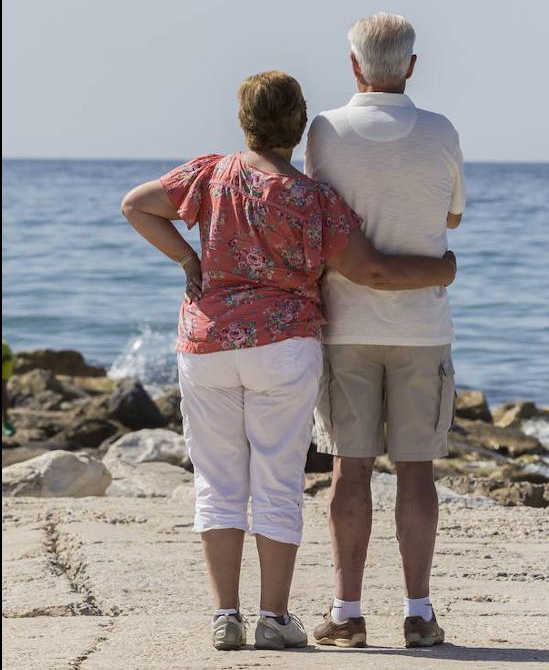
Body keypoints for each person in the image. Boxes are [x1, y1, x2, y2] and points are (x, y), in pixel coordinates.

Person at [120, 70, 457, 652]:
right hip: (283, 344)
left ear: (244, 122)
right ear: (300, 128)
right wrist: (442, 270)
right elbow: (371, 270)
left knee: (218, 483)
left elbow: (137, 205)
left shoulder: (209, 173)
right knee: (276, 482)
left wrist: (187, 260)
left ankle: (225, 615)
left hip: (207, 345)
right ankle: (273, 617)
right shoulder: (313, 199)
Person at [304, 12, 465, 649]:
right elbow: (453, 214)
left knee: (349, 469)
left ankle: (346, 614)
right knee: (417, 472)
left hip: (344, 325)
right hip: (422, 327)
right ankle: (419, 613)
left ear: (353, 66)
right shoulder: (441, 130)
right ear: (412, 66)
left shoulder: (324, 131)